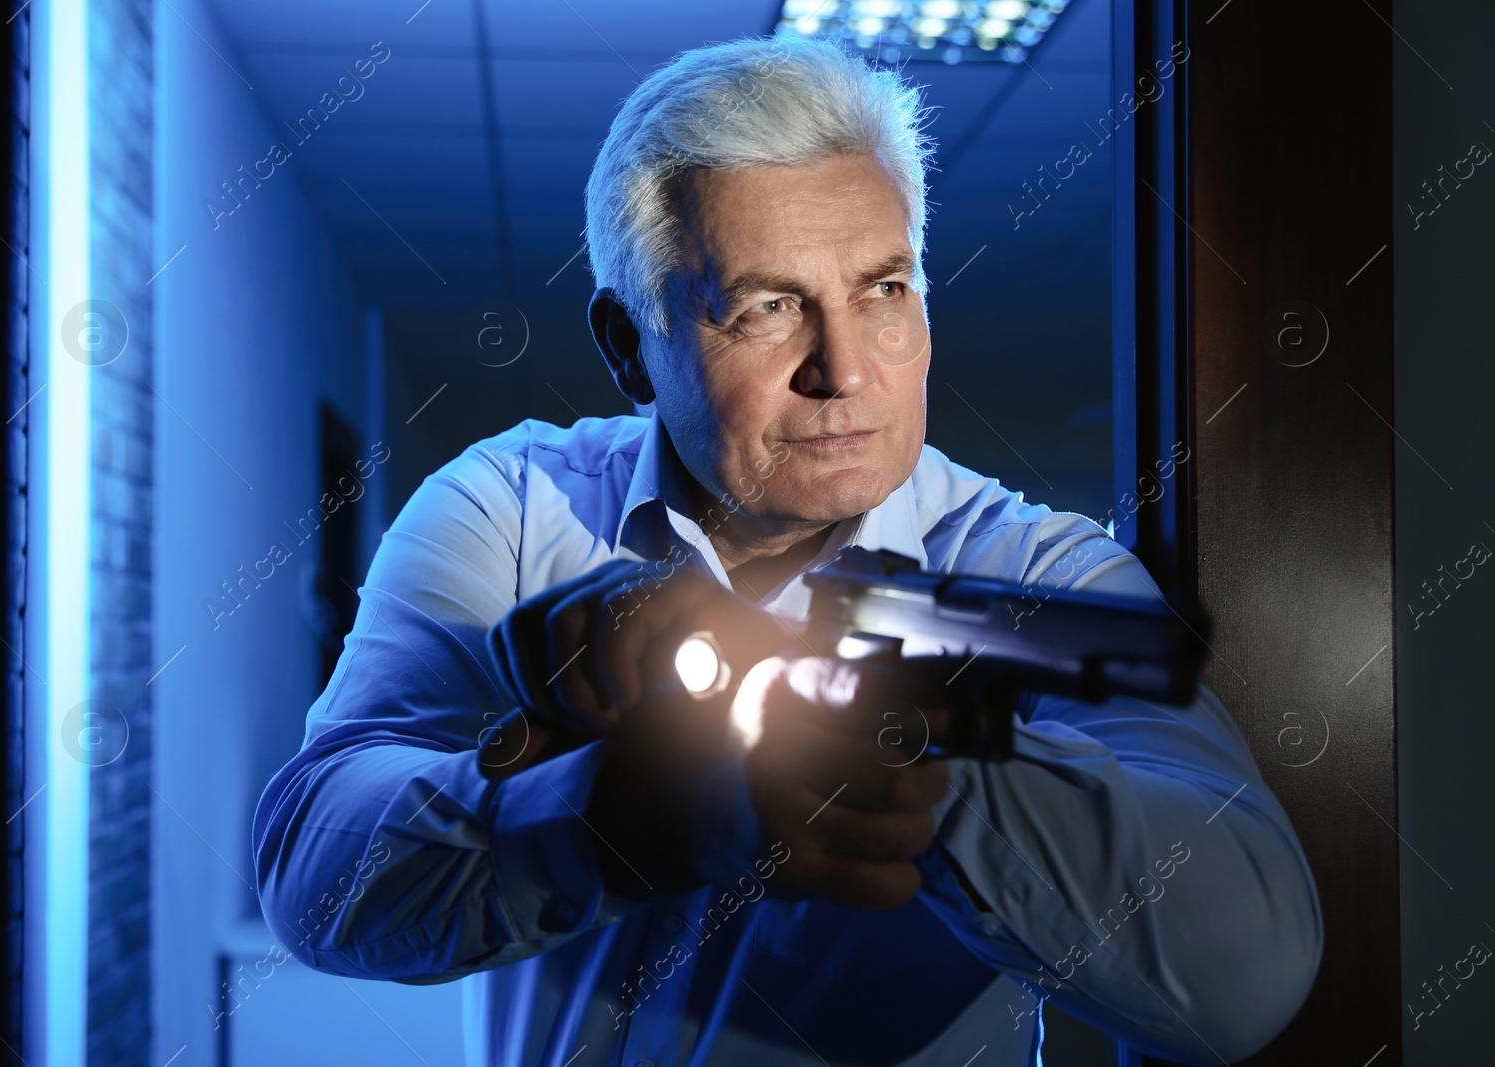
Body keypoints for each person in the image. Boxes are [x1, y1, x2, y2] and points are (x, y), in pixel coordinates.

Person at [252, 35, 1322, 1067]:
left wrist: (907, 754)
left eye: (884, 290)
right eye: (768, 308)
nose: (845, 369)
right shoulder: (513, 510)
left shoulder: (1038, 583)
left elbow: (1248, 978)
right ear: (630, 346)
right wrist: (609, 822)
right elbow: (316, 880)